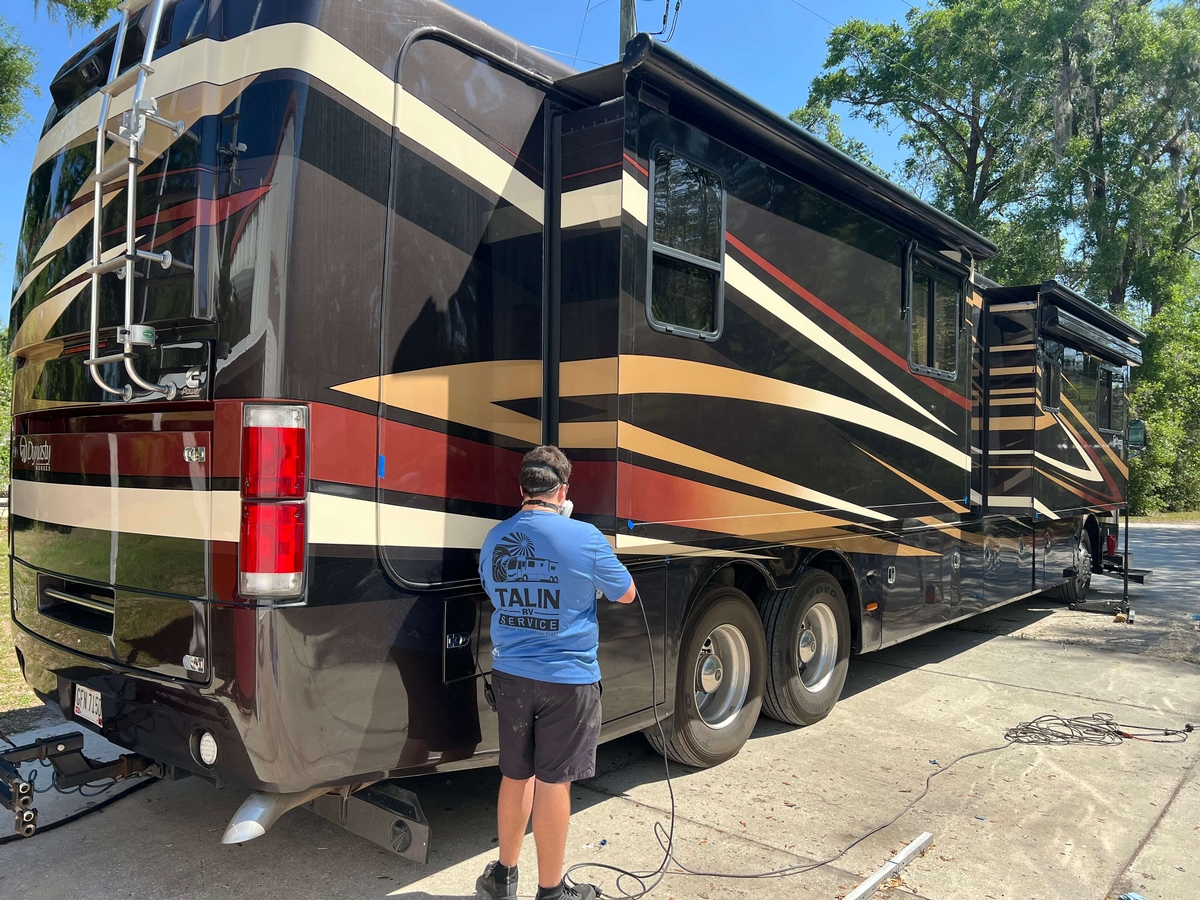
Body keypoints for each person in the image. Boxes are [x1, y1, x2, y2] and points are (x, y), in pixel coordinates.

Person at [475, 445, 636, 900]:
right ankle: (551, 892)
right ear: (563, 489)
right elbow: (625, 593)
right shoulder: (584, 537)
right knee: (553, 781)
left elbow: (493, 587)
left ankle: (502, 878)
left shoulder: (495, 538)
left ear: (521, 489)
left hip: (510, 677)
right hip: (568, 681)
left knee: (515, 773)